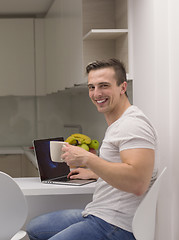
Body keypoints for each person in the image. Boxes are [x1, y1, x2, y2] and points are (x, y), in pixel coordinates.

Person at [26, 59, 158, 240]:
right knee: (35, 228)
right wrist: (95, 172)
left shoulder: (132, 125)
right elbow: (128, 167)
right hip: (100, 213)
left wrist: (88, 159)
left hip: (115, 225)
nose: (96, 93)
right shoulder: (120, 122)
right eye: (91, 87)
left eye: (104, 86)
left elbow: (138, 183)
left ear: (123, 87)